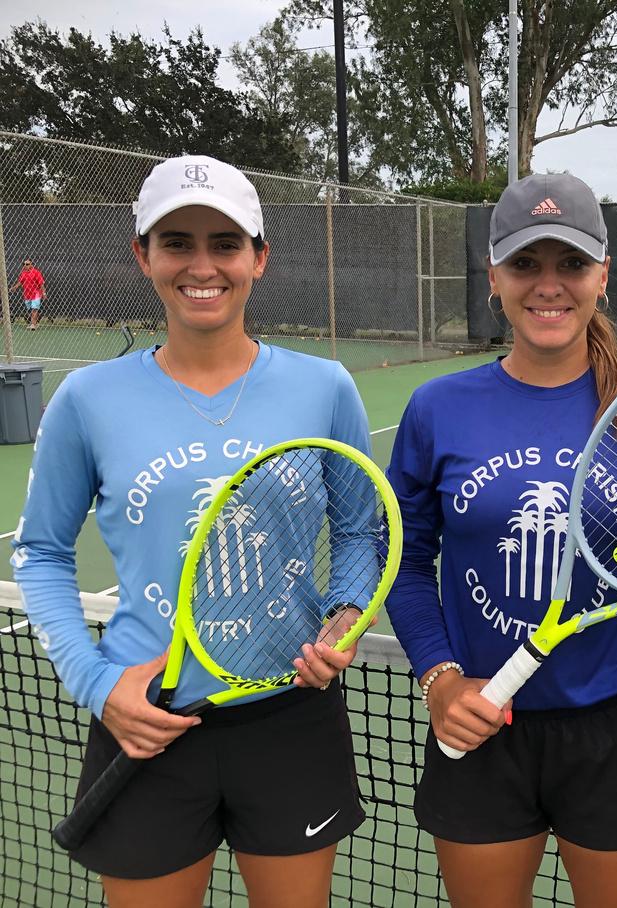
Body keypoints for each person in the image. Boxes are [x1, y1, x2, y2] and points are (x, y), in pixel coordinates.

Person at [11, 155, 371, 908]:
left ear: (258, 258)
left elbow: (359, 530)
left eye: (225, 244)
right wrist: (97, 684)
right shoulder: (86, 399)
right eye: (177, 243)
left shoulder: (325, 387)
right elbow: (40, 553)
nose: (202, 266)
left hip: (289, 715)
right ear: (143, 255)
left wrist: (345, 617)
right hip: (146, 718)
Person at [385, 171, 617, 908]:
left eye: (571, 263)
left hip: (615, 725)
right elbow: (404, 566)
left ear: (602, 275)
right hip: (481, 719)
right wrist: (441, 680)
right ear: (494, 277)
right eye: (525, 263)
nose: (548, 284)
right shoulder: (437, 408)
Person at [10, 257, 46, 329]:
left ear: (31, 264)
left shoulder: (36, 272)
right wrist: (14, 288)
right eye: (24, 264)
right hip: (27, 295)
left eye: (27, 264)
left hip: (36, 294)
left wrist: (44, 293)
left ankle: (33, 325)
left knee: (34, 309)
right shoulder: (23, 273)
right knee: (31, 309)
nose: (25, 265)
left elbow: (41, 284)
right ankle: (35, 323)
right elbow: (20, 282)